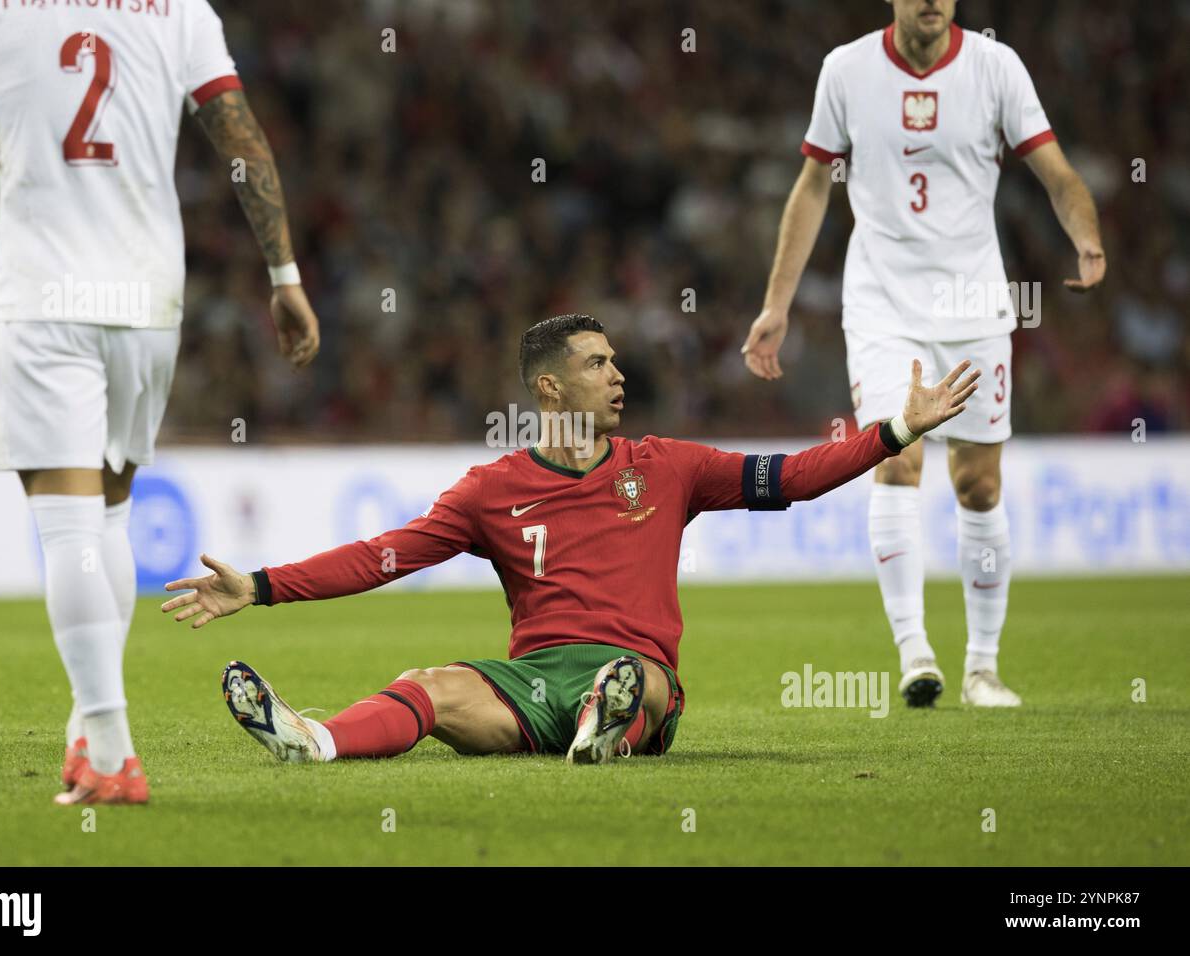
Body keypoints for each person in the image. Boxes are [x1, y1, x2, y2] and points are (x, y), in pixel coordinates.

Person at [162, 314, 979, 765]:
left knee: (640, 680)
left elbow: (794, 475)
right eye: (597, 364)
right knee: (430, 683)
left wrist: (899, 428)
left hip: (641, 675)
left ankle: (610, 721)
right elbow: (384, 556)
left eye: (616, 361)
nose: (618, 375)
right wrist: (261, 585)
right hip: (534, 686)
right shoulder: (492, 492)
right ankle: (317, 740)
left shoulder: (670, 467)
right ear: (551, 386)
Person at [0, 0, 321, 804]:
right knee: (108, 514)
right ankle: (89, 730)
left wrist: (19, 241)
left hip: (43, 295)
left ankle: (112, 755)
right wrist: (284, 277)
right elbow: (242, 142)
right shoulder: (180, 7)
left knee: (67, 523)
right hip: (147, 298)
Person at [740, 0, 1105, 707]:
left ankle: (984, 669)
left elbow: (1056, 172)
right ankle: (915, 655)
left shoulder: (996, 68)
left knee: (979, 485)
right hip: (882, 301)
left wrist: (1086, 236)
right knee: (896, 455)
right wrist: (777, 304)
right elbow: (814, 184)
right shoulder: (845, 70)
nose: (933, 0)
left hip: (974, 305)